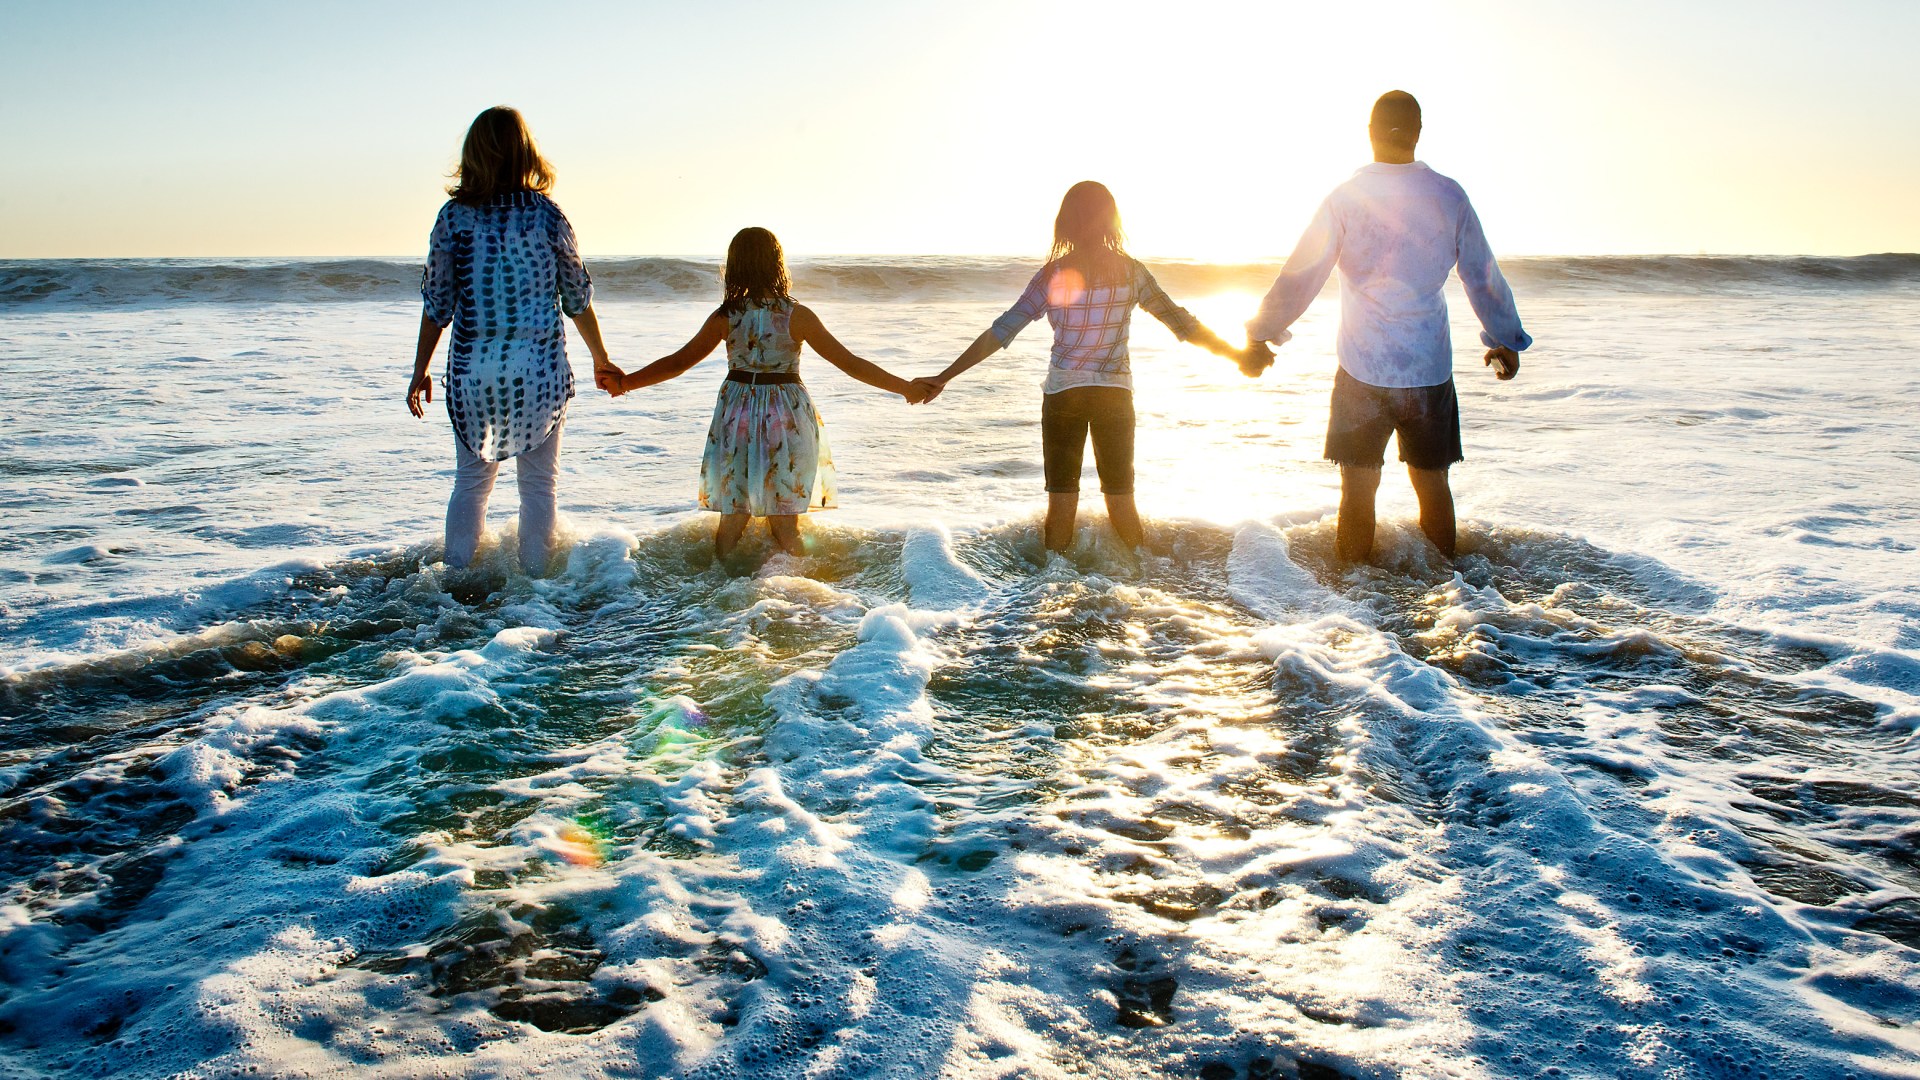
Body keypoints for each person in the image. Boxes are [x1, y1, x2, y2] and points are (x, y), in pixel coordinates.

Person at [1245, 91, 1531, 564]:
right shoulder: (1448, 194)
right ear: (1418, 133)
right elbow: (1482, 275)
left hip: (1362, 370)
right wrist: (1506, 339)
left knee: (1358, 492)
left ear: (1370, 133)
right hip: (1428, 369)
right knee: (1433, 485)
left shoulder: (1345, 198)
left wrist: (1261, 332)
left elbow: (1302, 275)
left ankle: (1354, 605)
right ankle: (1452, 598)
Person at [915, 181, 1270, 553]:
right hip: (1114, 397)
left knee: (1062, 504)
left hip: (1064, 394)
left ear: (1065, 223)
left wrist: (944, 377)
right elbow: (1181, 323)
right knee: (1121, 502)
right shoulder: (1131, 272)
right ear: (1111, 221)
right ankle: (1139, 582)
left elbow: (1002, 331)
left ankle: (1050, 590)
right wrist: (1238, 356)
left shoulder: (1053, 275)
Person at [597, 227, 928, 557]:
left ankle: (721, 588)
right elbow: (850, 363)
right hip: (787, 415)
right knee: (785, 522)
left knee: (733, 517)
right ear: (777, 263)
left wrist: (625, 383)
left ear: (735, 266)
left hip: (737, 415)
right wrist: (904, 388)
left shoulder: (726, 316)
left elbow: (678, 362)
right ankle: (800, 593)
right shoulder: (798, 315)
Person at [407, 105, 614, 575]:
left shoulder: (453, 219)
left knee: (470, 482)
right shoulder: (546, 216)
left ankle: (456, 580)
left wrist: (420, 369)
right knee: (539, 486)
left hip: (473, 372)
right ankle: (535, 590)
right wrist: (602, 359)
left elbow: (438, 303)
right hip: (538, 371)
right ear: (526, 152)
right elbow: (577, 297)